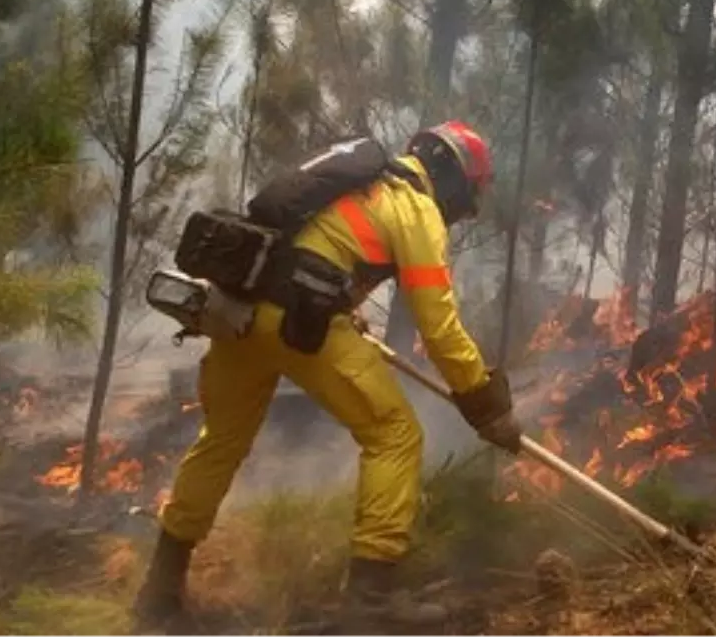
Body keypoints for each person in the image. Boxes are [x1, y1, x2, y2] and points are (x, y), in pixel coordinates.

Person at [134, 121, 522, 630]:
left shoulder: (355, 181)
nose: (464, 211)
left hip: (240, 312)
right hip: (299, 324)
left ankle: (160, 586)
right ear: (453, 177)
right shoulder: (415, 207)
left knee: (221, 441)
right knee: (395, 435)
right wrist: (484, 402)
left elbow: (314, 248)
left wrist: (346, 304)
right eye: (468, 197)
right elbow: (439, 325)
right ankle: (370, 601)